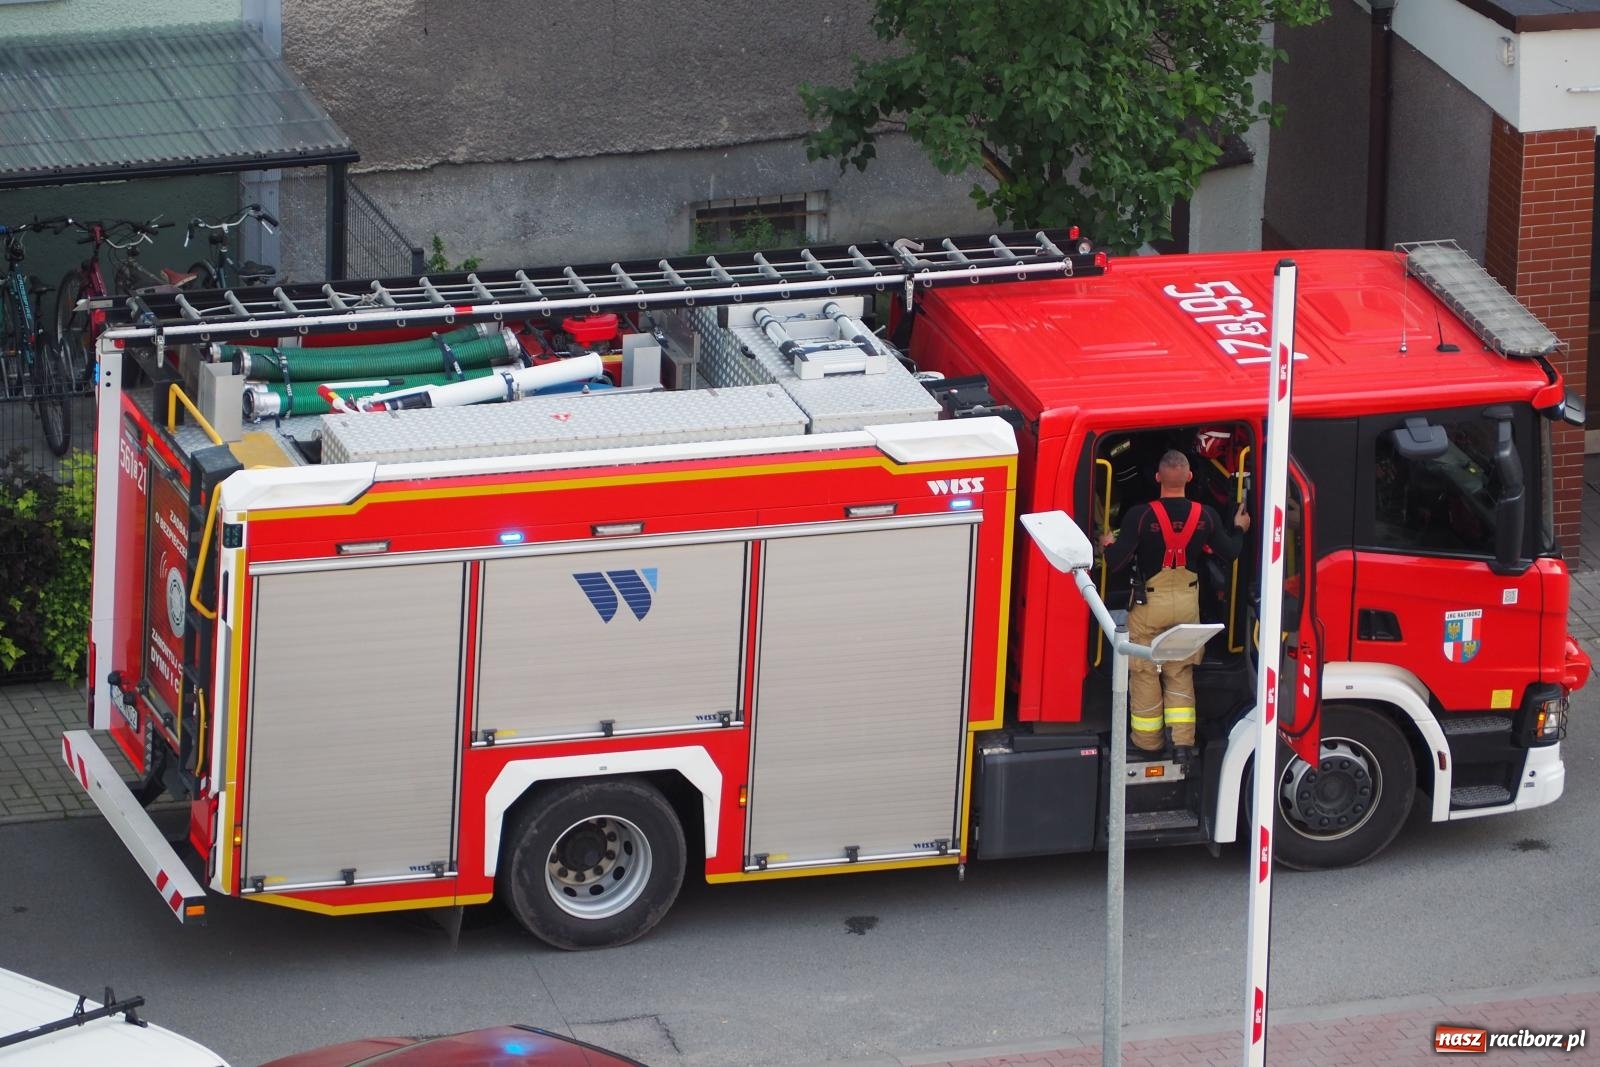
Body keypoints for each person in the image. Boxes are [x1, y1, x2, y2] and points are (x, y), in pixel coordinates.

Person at [1099, 449, 1251, 761]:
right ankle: (1182, 744)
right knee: (1179, 669)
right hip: (1186, 606)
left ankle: (1147, 742)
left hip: (1149, 605)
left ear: (1157, 478)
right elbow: (1231, 552)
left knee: (1144, 670)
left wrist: (1107, 545)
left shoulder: (1140, 516)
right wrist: (1240, 528)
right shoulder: (1205, 515)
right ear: (1190, 477)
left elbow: (1115, 562)